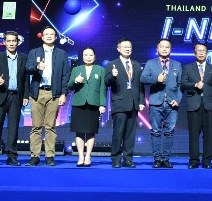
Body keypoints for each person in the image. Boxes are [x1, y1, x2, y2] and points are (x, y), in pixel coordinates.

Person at [25, 26, 70, 167]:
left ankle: (50, 156)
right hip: (37, 93)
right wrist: (37, 67)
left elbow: (66, 75)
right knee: (36, 126)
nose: (49, 36)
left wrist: (63, 93)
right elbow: (28, 68)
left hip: (54, 94)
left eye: (52, 34)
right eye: (46, 34)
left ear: (55, 37)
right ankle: (35, 156)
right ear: (42, 37)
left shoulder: (62, 54)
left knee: (51, 127)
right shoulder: (34, 52)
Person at [0, 31, 28, 166]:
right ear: (4, 42)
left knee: (13, 128)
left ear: (17, 42)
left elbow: (26, 78)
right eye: (8, 41)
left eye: (14, 41)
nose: (11, 43)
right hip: (0, 95)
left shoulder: (23, 58)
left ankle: (12, 156)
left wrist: (26, 95)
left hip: (16, 96)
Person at [140, 39, 183, 168]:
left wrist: (178, 99)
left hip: (172, 103)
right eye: (162, 47)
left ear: (170, 49)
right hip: (156, 102)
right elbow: (143, 78)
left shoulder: (177, 65)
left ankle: (166, 158)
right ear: (157, 49)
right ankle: (157, 159)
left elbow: (180, 85)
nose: (164, 49)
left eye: (167, 47)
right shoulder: (151, 63)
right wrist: (156, 79)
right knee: (156, 131)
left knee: (169, 132)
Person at [181, 43, 212, 169]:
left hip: (209, 105)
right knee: (194, 135)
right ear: (194, 53)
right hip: (193, 105)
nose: (201, 53)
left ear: (207, 53)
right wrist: (194, 85)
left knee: (208, 135)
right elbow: (183, 84)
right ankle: (194, 160)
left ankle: (207, 161)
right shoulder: (188, 68)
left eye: (203, 51)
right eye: (198, 51)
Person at [105, 38, 144, 168]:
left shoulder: (136, 65)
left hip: (133, 103)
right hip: (119, 104)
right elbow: (106, 82)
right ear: (118, 49)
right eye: (125, 46)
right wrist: (113, 75)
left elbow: (140, 85)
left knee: (130, 134)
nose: (127, 49)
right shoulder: (112, 64)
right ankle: (116, 159)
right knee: (118, 133)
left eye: (129, 47)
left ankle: (128, 159)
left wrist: (141, 101)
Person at [68, 47, 107, 167]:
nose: (88, 57)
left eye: (91, 55)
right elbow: (70, 86)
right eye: (86, 55)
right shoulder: (76, 69)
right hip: (79, 104)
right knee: (79, 132)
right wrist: (76, 81)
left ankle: (88, 156)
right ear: (82, 57)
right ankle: (80, 156)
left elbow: (103, 88)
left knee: (91, 132)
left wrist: (102, 104)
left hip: (93, 104)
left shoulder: (101, 70)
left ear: (95, 56)